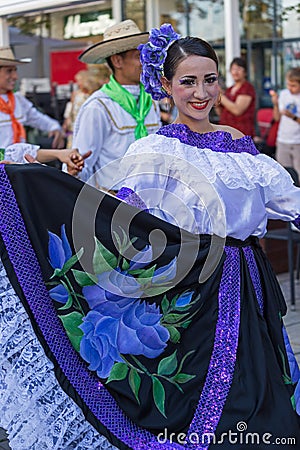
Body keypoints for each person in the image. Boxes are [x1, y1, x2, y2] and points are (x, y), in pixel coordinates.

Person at [0, 24, 299, 450]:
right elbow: (126, 225)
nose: (201, 93)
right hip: (196, 295)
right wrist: (37, 188)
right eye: (188, 82)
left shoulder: (240, 144)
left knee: (267, 399)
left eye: (210, 80)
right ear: (167, 85)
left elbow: (287, 199)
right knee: (219, 409)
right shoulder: (153, 149)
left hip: (252, 288)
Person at [72, 19, 161, 190]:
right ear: (117, 61)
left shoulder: (150, 101)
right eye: (138, 56)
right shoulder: (98, 106)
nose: (146, 63)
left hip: (153, 200)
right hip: (114, 205)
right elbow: (82, 165)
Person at [0, 47, 65, 149]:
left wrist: (55, 127)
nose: (15, 76)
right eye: (9, 71)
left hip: (18, 163)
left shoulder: (18, 100)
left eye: (15, 71)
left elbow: (37, 118)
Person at [269, 67, 300, 176]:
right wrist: (276, 104)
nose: (290, 88)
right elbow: (277, 118)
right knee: (284, 175)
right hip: (283, 140)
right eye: (288, 84)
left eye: (294, 86)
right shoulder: (284, 94)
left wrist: (293, 117)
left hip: (298, 142)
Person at [217, 57, 256, 137]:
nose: (235, 72)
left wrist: (220, 95)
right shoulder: (229, 89)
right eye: (233, 69)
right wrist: (216, 103)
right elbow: (221, 113)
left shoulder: (247, 88)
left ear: (245, 72)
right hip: (226, 133)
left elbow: (237, 110)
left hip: (241, 134)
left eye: (239, 69)